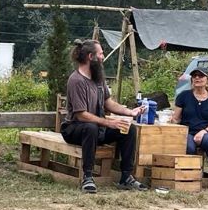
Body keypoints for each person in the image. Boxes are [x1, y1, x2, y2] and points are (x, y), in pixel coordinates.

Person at [60, 39, 148, 193]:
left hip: (97, 128)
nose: (103, 56)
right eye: (100, 53)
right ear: (90, 56)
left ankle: (126, 177)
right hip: (74, 129)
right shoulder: (76, 80)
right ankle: (87, 177)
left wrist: (130, 112)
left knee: (129, 129)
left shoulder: (98, 78)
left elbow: (108, 103)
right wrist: (109, 123)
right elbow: (81, 115)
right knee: (90, 127)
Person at [172, 66, 208, 188]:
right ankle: (191, 177)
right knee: (189, 146)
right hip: (187, 132)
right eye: (194, 76)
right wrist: (172, 121)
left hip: (207, 132)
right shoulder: (184, 96)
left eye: (201, 75)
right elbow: (176, 118)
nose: (197, 78)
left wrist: (203, 131)